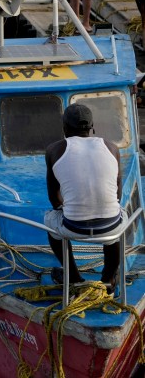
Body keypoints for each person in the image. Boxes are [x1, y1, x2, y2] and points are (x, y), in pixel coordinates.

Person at [44, 103, 124, 292]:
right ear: (91, 127)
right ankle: (108, 278)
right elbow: (118, 195)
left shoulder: (54, 150)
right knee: (119, 217)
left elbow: (54, 200)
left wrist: (73, 208)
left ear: (64, 128)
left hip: (74, 227)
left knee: (49, 220)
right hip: (110, 228)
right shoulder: (112, 148)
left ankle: (73, 278)